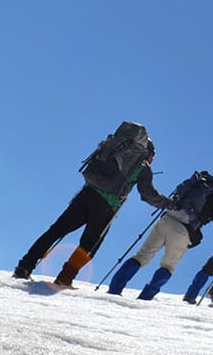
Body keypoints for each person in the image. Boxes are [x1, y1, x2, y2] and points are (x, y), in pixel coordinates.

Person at [13, 123, 173, 287]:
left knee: (56, 231)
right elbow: (148, 194)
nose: (152, 159)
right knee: (89, 245)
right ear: (147, 150)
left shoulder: (115, 148)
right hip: (106, 207)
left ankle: (24, 266)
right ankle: (64, 279)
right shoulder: (142, 166)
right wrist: (168, 203)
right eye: (153, 155)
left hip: (86, 194)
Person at [107, 171, 213, 300]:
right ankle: (145, 298)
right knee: (168, 267)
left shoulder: (195, 185)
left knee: (141, 256)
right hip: (182, 231)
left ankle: (114, 289)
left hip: (166, 219)